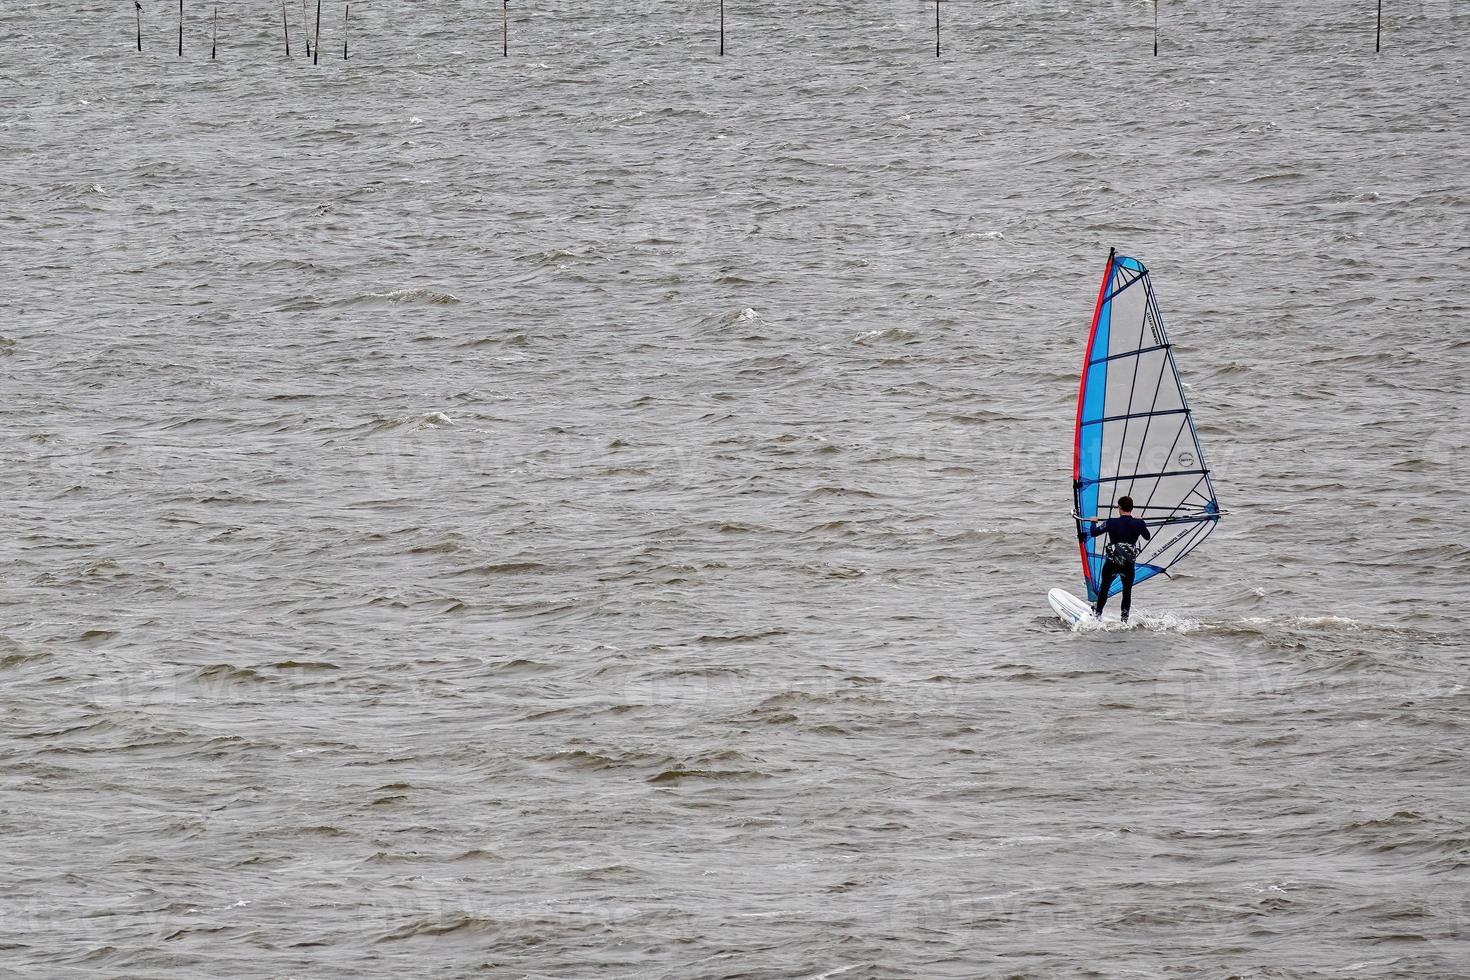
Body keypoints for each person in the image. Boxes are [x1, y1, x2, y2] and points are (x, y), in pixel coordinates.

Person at [1082, 495, 1152, 623]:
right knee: (1127, 592)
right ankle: (1124, 620)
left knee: (1104, 589)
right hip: (1128, 564)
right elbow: (1147, 537)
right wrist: (1142, 523)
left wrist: (1093, 522)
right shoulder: (1138, 523)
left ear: (1119, 508)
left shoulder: (1111, 522)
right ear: (1132, 508)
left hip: (1112, 563)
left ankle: (1098, 616)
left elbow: (1093, 533)